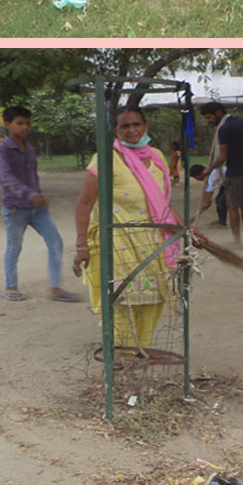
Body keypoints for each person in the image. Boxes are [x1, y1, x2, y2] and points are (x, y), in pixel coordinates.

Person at [73, 105, 181, 349]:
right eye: (125, 126)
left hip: (152, 244)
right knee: (121, 300)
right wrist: (82, 244)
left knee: (152, 300)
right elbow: (85, 203)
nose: (132, 130)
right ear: (116, 130)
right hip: (117, 245)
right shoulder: (105, 159)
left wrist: (187, 229)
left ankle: (140, 351)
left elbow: (164, 204)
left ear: (145, 127)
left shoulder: (157, 157)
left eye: (136, 125)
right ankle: (123, 355)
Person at [0, 105, 80, 302]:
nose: (25, 127)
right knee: (14, 246)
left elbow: (32, 177)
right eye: (20, 123)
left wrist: (37, 196)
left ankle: (55, 289)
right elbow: (5, 178)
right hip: (15, 208)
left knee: (55, 242)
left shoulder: (30, 149)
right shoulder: (3, 150)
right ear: (8, 125)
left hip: (37, 209)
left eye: (27, 123)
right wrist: (30, 194)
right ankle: (10, 287)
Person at [200, 100, 243, 248]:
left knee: (232, 207)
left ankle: (237, 241)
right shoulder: (242, 122)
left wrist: (209, 169)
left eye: (209, 117)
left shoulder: (224, 129)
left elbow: (222, 156)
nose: (208, 121)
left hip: (236, 173)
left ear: (218, 113)